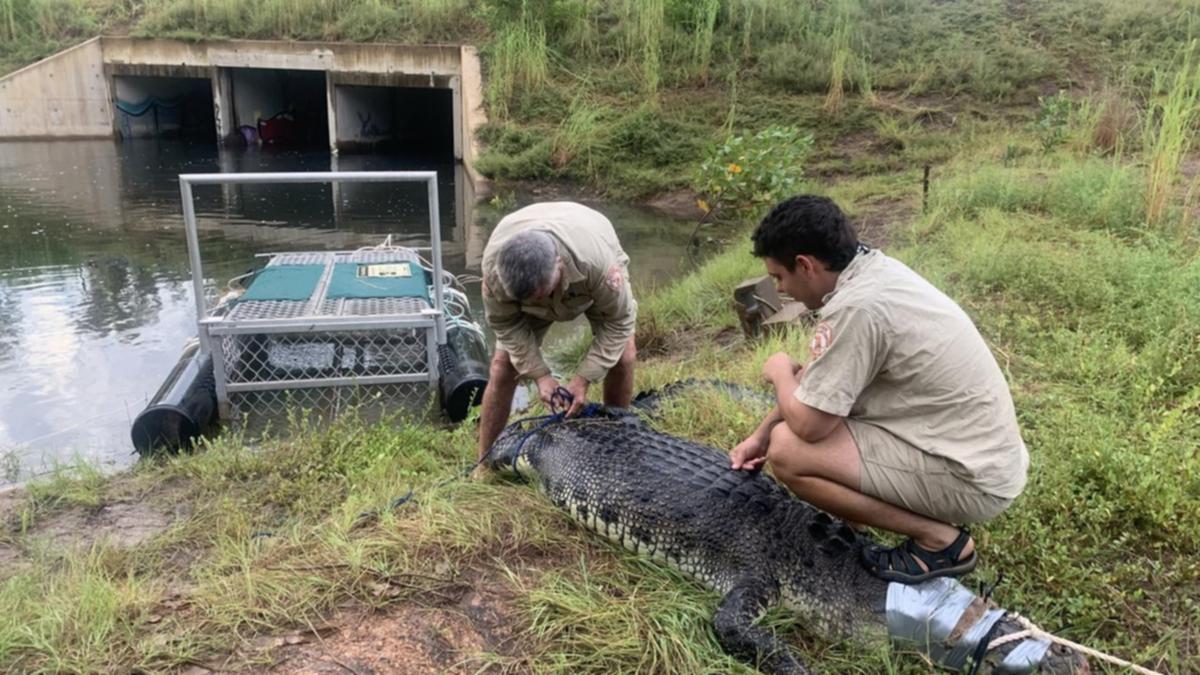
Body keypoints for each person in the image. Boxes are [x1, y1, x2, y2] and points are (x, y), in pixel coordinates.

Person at [729, 195, 1028, 583]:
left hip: (973, 476)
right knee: (781, 437)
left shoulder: (858, 308)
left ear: (805, 265)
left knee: (788, 450)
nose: (781, 289)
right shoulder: (872, 270)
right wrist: (758, 435)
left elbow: (809, 426)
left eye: (778, 278)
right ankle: (855, 521)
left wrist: (780, 371)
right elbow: (821, 385)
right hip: (978, 452)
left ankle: (941, 542)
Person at [475, 201, 638, 463]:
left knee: (624, 355)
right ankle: (484, 462)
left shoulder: (596, 263)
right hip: (533, 252)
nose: (542, 305)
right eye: (532, 300)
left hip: (586, 270)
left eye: (544, 295)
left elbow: (619, 322)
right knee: (502, 367)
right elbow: (505, 324)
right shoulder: (495, 272)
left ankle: (614, 445)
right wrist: (540, 376)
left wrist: (583, 378)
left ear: (559, 265)